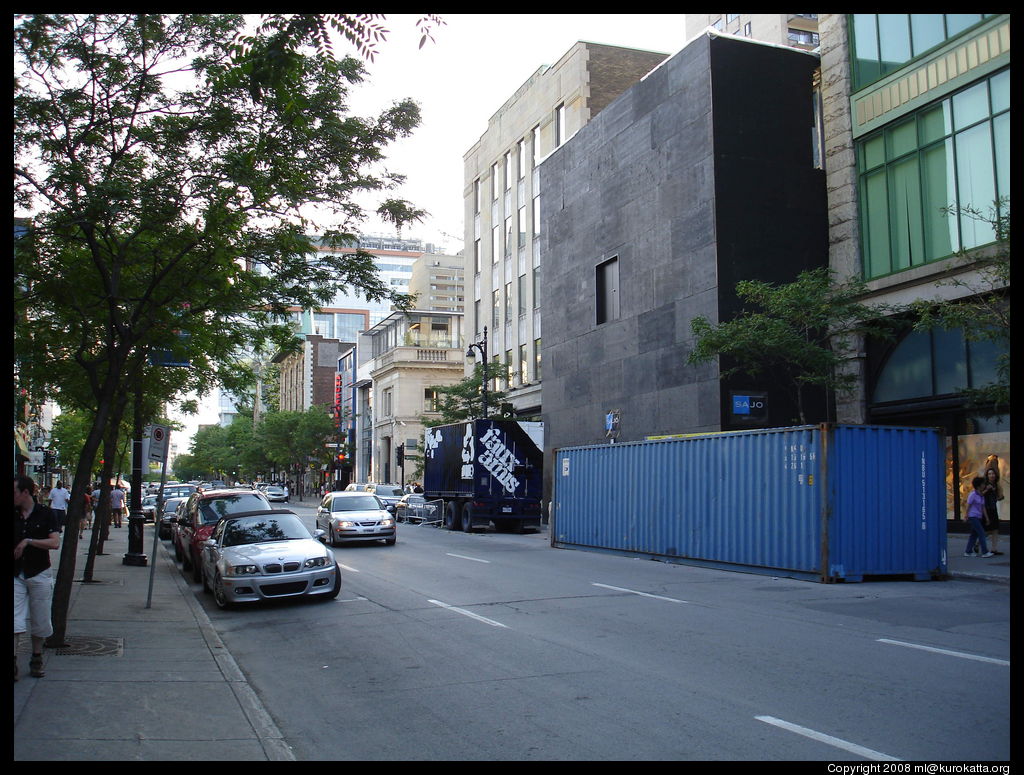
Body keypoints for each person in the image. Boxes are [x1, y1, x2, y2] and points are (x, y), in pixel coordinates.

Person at [14, 476, 61, 680]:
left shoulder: (46, 514)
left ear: (25, 493)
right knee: (14, 620)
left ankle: (37, 656)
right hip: (16, 573)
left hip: (39, 571)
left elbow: (54, 543)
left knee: (40, 618)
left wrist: (29, 541)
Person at [964, 476, 994, 558]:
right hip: (973, 516)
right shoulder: (972, 494)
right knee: (981, 533)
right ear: (978, 486)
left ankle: (968, 551)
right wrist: (966, 515)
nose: (984, 485)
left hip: (978, 517)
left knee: (973, 535)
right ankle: (985, 552)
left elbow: (983, 507)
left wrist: (987, 518)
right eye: (983, 484)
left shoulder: (981, 496)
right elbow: (968, 505)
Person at [982, 466, 1004, 556]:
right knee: (987, 530)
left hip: (993, 509)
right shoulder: (984, 484)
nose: (991, 475)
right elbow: (979, 495)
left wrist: (1000, 497)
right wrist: (987, 489)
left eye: (993, 474)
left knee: (995, 529)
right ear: (987, 475)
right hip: (986, 509)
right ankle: (977, 543)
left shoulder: (997, 485)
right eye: (989, 474)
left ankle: (994, 549)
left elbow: (998, 497)